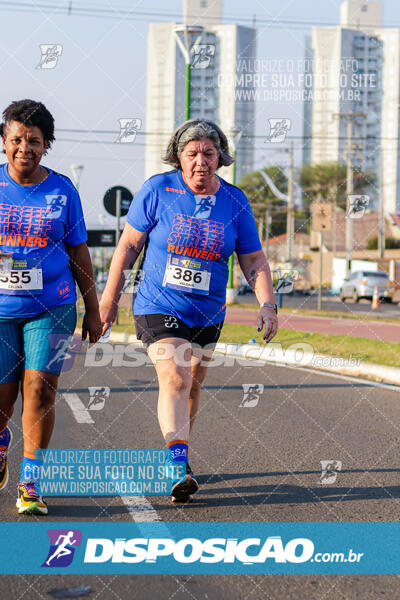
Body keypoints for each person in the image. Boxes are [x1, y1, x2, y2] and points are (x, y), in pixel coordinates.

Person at [100, 119, 278, 502]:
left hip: (208, 311)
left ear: (220, 157)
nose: (201, 161)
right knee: (176, 377)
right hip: (157, 304)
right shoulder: (158, 190)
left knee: (192, 384)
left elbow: (253, 259)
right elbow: (128, 247)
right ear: (178, 158)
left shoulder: (234, 202)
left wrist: (267, 304)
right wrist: (109, 299)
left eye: (208, 153)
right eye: (192, 153)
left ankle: (178, 453)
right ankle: (176, 464)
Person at [0, 99, 102, 514]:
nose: (26, 147)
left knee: (39, 391)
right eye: (17, 139)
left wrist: (93, 309)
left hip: (53, 308)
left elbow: (79, 251)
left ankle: (31, 482)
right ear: (4, 142)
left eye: (35, 141)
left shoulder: (62, 190)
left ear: (47, 145)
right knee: (2, 401)